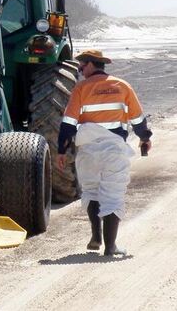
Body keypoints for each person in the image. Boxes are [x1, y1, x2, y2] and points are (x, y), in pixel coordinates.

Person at [56, 49, 152, 256]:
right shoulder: (122, 86)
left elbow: (68, 123)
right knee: (113, 195)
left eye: (82, 64)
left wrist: (61, 151)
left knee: (91, 190)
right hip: (114, 149)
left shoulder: (81, 89)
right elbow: (137, 120)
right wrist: (145, 138)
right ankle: (110, 247)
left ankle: (96, 236)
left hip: (88, 149)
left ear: (91, 64)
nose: (80, 69)